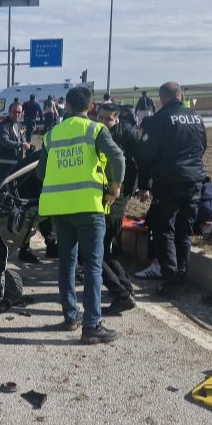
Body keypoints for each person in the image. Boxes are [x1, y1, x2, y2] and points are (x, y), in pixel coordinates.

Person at [37, 86, 125, 344]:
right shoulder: (95, 130)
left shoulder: (52, 135)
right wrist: (115, 187)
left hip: (61, 210)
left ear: (66, 106)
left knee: (66, 263)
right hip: (89, 208)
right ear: (92, 106)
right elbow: (118, 158)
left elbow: (41, 173)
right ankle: (92, 325)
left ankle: (70, 316)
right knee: (93, 265)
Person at [137, 82, 207, 296]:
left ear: (162, 99)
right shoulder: (196, 117)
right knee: (185, 231)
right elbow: (203, 146)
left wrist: (144, 185)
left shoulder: (158, 120)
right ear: (181, 96)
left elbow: (146, 156)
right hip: (194, 181)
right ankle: (181, 277)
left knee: (163, 230)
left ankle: (171, 280)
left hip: (169, 182)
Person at [96, 103, 140, 315]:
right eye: (101, 118)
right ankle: (125, 288)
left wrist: (141, 186)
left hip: (117, 195)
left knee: (97, 251)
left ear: (117, 119)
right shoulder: (97, 132)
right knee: (104, 250)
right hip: (104, 195)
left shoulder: (127, 135)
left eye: (109, 119)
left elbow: (139, 161)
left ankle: (122, 293)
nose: (104, 122)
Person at [135, 178, 212, 279]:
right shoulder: (195, 172)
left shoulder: (170, 179)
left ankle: (158, 265)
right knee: (185, 219)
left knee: (170, 222)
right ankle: (205, 227)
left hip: (201, 204)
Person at [0, 103, 31, 181]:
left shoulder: (19, 125)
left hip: (17, 163)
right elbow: (4, 141)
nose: (17, 114)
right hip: (5, 164)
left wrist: (27, 144)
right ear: (9, 112)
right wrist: (21, 144)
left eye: (19, 112)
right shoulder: (3, 125)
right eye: (14, 112)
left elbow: (23, 138)